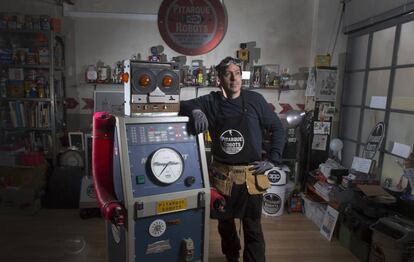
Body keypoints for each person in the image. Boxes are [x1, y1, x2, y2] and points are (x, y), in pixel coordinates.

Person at [179, 56, 285, 262]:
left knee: (252, 227)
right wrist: (196, 110)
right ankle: (231, 255)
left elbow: (277, 128)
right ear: (219, 79)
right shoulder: (211, 101)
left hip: (251, 176)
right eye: (228, 74)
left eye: (237, 74)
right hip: (222, 176)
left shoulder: (255, 100)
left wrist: (273, 159)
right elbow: (182, 104)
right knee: (224, 223)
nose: (234, 79)